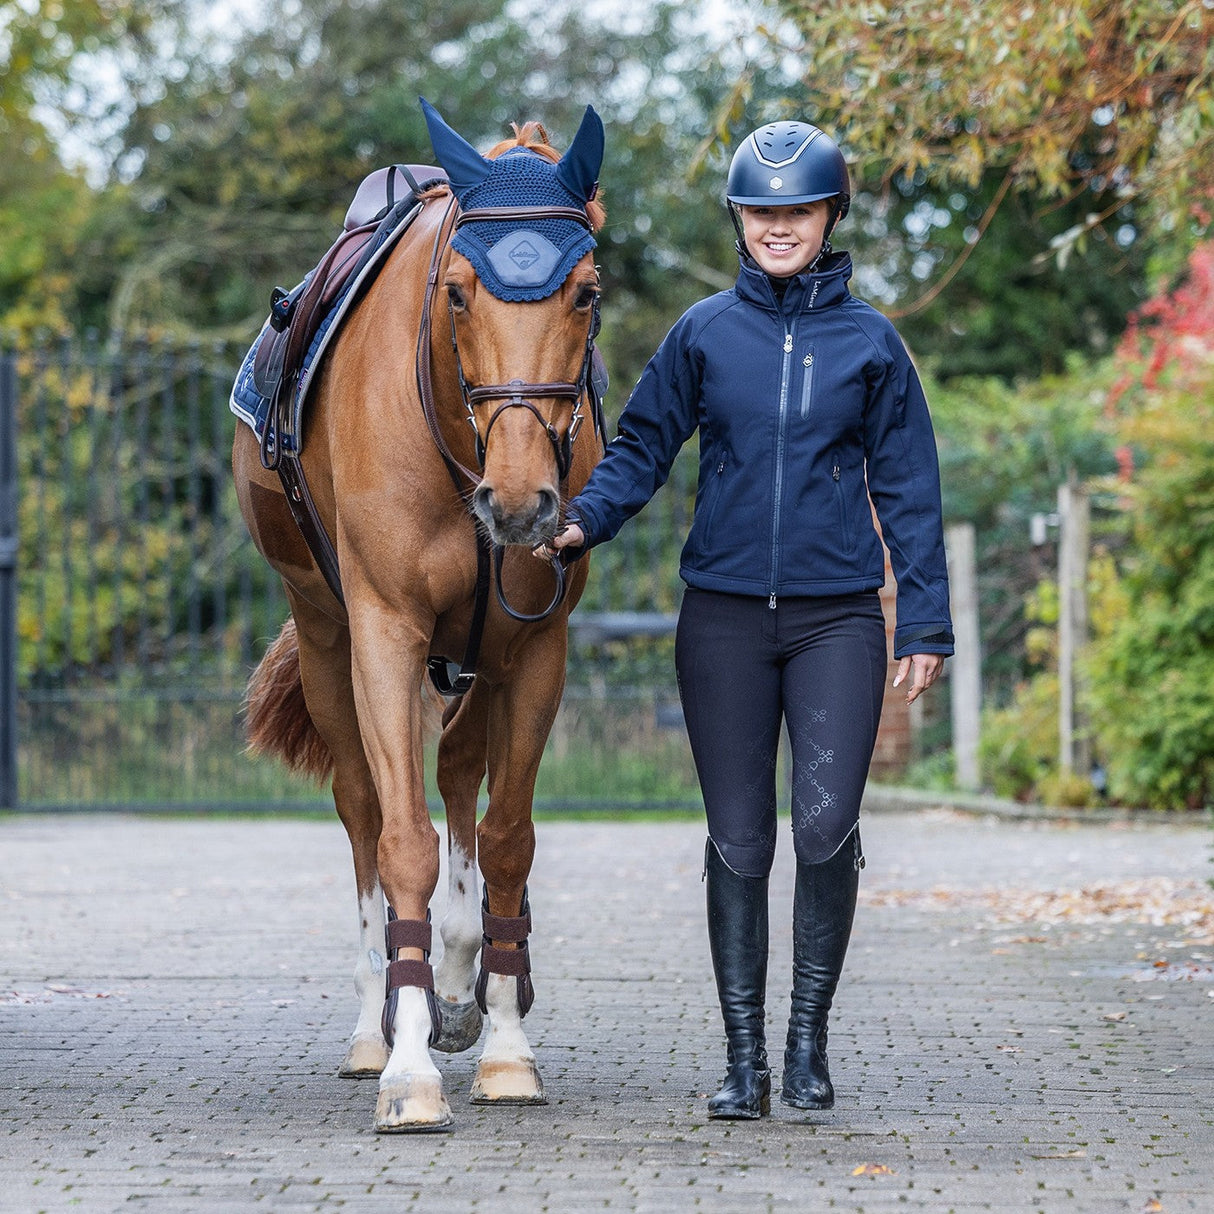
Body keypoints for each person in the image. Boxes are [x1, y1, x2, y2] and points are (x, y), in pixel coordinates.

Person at [540, 120, 954, 1119]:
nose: (778, 226)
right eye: (761, 210)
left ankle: (806, 1042)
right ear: (738, 218)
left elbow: (908, 485)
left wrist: (924, 621)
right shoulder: (701, 334)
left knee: (825, 826)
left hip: (836, 621)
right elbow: (641, 446)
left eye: (797, 210)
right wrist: (583, 520)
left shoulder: (871, 343)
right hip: (721, 619)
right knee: (737, 837)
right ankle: (742, 1059)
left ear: (829, 216)